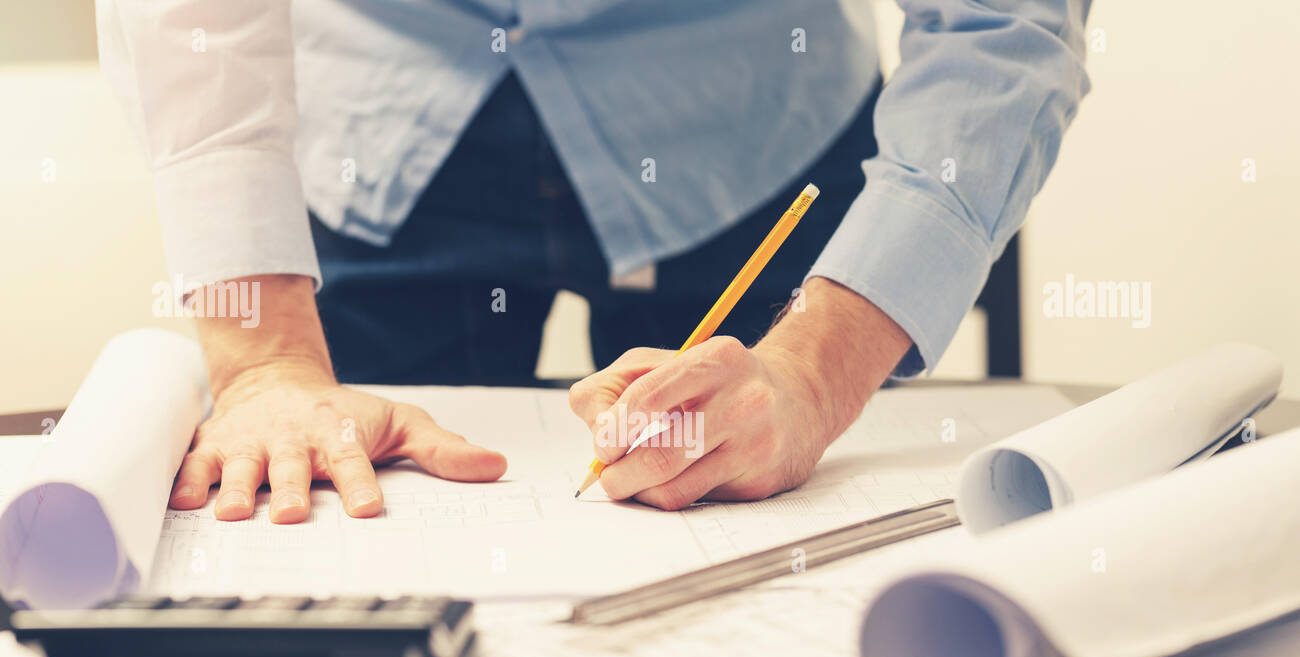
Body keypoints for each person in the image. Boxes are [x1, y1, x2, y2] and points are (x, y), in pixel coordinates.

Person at [97, 0, 1091, 523]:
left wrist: (814, 375)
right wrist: (266, 362)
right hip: (376, 119)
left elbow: (999, 22)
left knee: (738, 501)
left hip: (750, 126)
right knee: (330, 508)